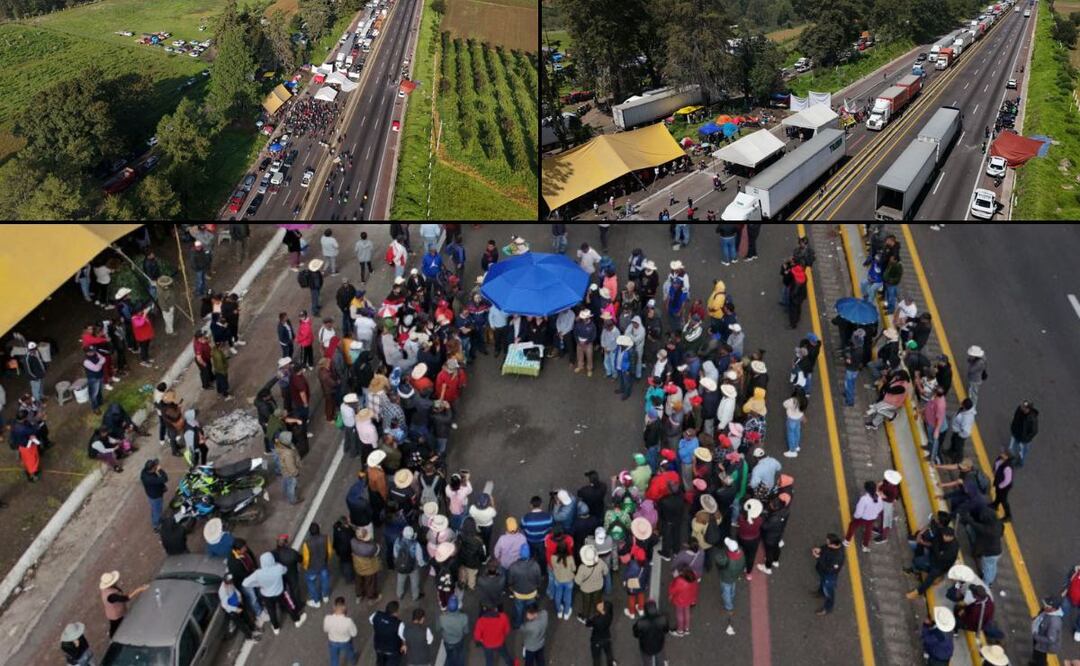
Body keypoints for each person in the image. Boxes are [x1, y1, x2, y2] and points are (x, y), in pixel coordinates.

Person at [99, 571, 148, 637]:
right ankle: (113, 637)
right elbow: (125, 598)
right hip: (116, 615)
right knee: (116, 626)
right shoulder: (111, 596)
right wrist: (139, 589)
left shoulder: (106, 590)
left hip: (112, 612)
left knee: (114, 625)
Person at [812, 533, 845, 615]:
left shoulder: (838, 557)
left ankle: (827, 608)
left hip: (830, 575)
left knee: (829, 592)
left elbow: (829, 569)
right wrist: (820, 549)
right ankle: (821, 592)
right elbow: (825, 547)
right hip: (823, 571)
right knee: (822, 582)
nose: (826, 544)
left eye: (828, 543)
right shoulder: (834, 545)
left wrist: (818, 558)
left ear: (833, 545)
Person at [632, 600, 669, 666]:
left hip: (646, 646)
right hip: (659, 644)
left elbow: (636, 634)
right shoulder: (663, 619)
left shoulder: (640, 622)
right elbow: (666, 630)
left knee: (647, 662)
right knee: (660, 658)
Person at [668, 566, 699, 637]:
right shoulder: (694, 576)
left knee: (680, 614)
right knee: (687, 611)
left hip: (680, 600)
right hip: (689, 598)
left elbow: (672, 590)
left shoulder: (679, 581)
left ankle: (680, 631)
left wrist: (675, 578)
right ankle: (686, 628)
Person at [370, 601, 405, 666]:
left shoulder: (376, 614)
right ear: (395, 612)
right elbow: (403, 637)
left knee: (380, 662)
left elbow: (371, 621)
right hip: (392, 651)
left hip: (378, 647)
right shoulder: (399, 624)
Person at [1031, 596, 1064, 665]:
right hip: (1039, 636)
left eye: (1047, 606)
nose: (1044, 606)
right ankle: (1035, 662)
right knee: (1036, 653)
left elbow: (1051, 639)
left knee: (1040, 657)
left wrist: (1035, 636)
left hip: (1044, 644)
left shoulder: (1054, 622)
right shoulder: (1047, 611)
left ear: (1053, 609)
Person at [439, 596, 470, 666]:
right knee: (460, 655)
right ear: (457, 606)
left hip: (447, 641)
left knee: (449, 657)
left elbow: (439, 629)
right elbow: (466, 631)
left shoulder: (442, 618)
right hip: (458, 640)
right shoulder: (464, 617)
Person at [1007, 400, 1038, 467]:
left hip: (1023, 440)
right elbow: (1015, 418)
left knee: (1021, 453)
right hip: (1015, 433)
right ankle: (1013, 458)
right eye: (1022, 406)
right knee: (1011, 448)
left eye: (1024, 407)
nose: (1022, 407)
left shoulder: (1032, 419)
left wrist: (1025, 438)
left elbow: (1034, 431)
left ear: (1028, 409)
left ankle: (1020, 463)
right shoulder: (1019, 409)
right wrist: (1013, 428)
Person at [140, 459, 168, 532]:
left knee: (154, 509)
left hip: (151, 493)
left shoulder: (144, 472)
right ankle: (156, 526)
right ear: (152, 469)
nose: (156, 466)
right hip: (156, 496)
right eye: (155, 466)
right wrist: (160, 470)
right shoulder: (150, 479)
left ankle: (156, 520)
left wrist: (163, 487)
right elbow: (165, 478)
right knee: (157, 511)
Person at [586, 599, 615, 666]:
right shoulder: (609, 616)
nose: (601, 604)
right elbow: (608, 605)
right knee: (608, 653)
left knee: (596, 658)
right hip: (606, 637)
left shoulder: (596, 619)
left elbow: (588, 624)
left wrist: (591, 618)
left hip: (596, 640)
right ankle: (611, 664)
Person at [990, 449, 1015, 521]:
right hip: (999, 483)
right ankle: (995, 505)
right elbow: (996, 465)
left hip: (1004, 486)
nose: (1001, 453)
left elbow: (1007, 480)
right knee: (998, 494)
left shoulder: (1007, 467)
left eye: (1003, 453)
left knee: (1004, 500)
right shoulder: (1000, 459)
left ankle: (1008, 515)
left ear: (1007, 457)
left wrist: (1000, 486)